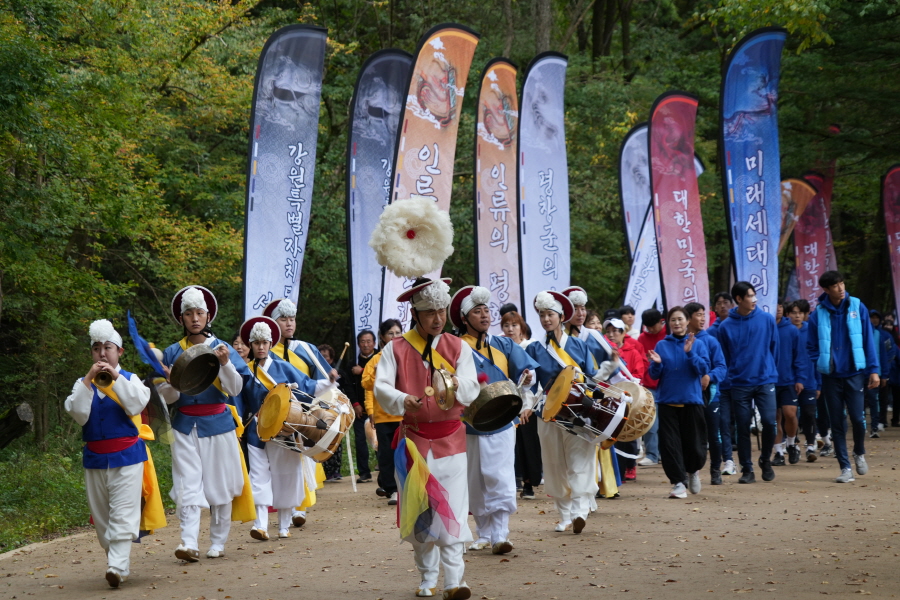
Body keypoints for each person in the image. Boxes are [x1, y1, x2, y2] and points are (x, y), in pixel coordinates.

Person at [373, 277, 480, 599]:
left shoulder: (458, 346)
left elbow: (473, 386)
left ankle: (454, 581)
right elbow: (381, 387)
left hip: (451, 440)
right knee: (420, 511)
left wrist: (457, 385)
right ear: (415, 314)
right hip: (414, 442)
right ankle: (427, 576)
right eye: (430, 312)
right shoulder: (396, 348)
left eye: (442, 310)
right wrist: (402, 399)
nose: (437, 318)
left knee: (455, 508)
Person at [64, 319, 165, 588]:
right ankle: (117, 564)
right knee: (102, 520)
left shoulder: (131, 380)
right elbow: (78, 413)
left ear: (119, 352)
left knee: (123, 513)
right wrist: (89, 379)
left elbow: (136, 404)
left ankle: (116, 566)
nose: (101, 353)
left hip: (127, 457)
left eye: (107, 347)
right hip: (95, 458)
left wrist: (115, 377)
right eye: (96, 348)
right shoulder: (82, 384)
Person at [157, 286, 253, 562]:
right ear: (182, 318)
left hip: (219, 424)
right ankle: (188, 542)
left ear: (208, 315)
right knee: (187, 484)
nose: (195, 318)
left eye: (199, 313)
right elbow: (170, 398)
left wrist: (225, 364)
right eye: (189, 314)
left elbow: (235, 389)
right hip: (184, 425)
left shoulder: (221, 348)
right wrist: (169, 380)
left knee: (218, 485)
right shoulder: (172, 352)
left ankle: (218, 541)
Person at [449, 285, 537, 556]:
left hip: (502, 420)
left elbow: (527, 373)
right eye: (477, 311)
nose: (485, 315)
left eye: (487, 310)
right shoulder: (454, 347)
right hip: (469, 423)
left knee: (500, 476)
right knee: (475, 480)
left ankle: (500, 534)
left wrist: (527, 381)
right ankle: (483, 533)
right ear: (465, 318)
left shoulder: (504, 344)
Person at [240, 317, 332, 540]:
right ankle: (260, 524)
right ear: (251, 345)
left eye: (264, 342)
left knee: (285, 474)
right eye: (256, 343)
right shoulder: (245, 371)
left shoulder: (283, 366)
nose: (261, 347)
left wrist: (328, 381)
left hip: (285, 429)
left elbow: (308, 386)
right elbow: (239, 401)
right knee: (258, 476)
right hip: (256, 430)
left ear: (270, 344)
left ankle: (283, 524)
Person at [526, 290, 607, 534]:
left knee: (579, 460)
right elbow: (529, 383)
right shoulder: (534, 348)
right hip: (548, 414)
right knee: (554, 463)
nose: (546, 319)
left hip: (577, 412)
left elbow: (592, 379)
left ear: (561, 316)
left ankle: (580, 510)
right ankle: (564, 514)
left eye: (550, 314)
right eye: (542, 315)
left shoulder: (579, 346)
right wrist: (527, 404)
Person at [262, 298, 334, 526]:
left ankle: (300, 507)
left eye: (292, 319)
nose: (289, 324)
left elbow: (323, 378)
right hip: (278, 414)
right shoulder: (265, 352)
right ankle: (287, 507)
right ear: (274, 323)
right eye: (283, 319)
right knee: (283, 462)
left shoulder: (306, 348)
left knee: (304, 460)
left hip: (306, 411)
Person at [807, 271, 880, 483]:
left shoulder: (857, 306)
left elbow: (867, 339)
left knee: (858, 418)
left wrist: (873, 369)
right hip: (831, 376)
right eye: (835, 286)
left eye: (842, 283)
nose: (840, 288)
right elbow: (811, 345)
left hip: (855, 373)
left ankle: (859, 452)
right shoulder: (818, 313)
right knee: (837, 422)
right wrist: (821, 361)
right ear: (826, 290)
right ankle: (845, 467)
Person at [715, 282, 779, 484]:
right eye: (750, 296)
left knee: (769, 422)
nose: (754, 299)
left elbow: (774, 348)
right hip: (739, 383)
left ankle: (765, 460)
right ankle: (747, 469)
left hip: (765, 379)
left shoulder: (767, 319)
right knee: (742, 426)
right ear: (739, 299)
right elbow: (724, 357)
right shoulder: (725, 326)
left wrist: (768, 368)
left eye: (755, 295)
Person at [561, 287, 622, 500]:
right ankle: (578, 491)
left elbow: (613, 365)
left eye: (583, 308)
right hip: (568, 397)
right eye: (575, 308)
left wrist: (625, 380)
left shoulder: (594, 335)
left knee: (599, 434)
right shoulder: (559, 338)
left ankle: (601, 487)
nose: (580, 313)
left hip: (595, 390)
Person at [648, 306, 710, 498]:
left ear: (687, 321)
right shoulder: (661, 346)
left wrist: (690, 352)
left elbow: (703, 368)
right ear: (668, 323)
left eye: (680, 319)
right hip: (667, 401)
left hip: (691, 401)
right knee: (669, 445)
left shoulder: (697, 344)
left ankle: (693, 471)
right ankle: (678, 483)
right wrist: (657, 364)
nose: (677, 323)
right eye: (673, 320)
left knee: (693, 444)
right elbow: (653, 375)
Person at [683, 302, 727, 485]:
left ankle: (715, 468)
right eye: (698, 315)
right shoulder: (680, 340)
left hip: (711, 396)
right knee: (690, 436)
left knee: (713, 435)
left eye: (704, 315)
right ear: (689, 318)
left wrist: (709, 376)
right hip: (687, 397)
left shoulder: (711, 341)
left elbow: (722, 367)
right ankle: (690, 471)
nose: (702, 318)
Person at [362, 319, 403, 506]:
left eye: (398, 332)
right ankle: (392, 489)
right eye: (391, 333)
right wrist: (370, 410)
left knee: (407, 452)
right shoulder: (375, 360)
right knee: (387, 454)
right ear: (383, 337)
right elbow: (367, 385)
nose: (395, 337)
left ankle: (408, 488)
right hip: (384, 415)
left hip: (405, 414)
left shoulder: (408, 356)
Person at [501, 310, 542, 499]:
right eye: (506, 325)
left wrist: (530, 405)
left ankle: (529, 483)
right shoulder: (499, 347)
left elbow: (537, 378)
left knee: (528, 443)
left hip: (528, 401)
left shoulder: (530, 347)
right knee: (509, 444)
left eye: (514, 325)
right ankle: (512, 480)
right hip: (506, 401)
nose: (510, 329)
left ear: (522, 327)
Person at [603, 317, 647, 481]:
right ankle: (617, 470)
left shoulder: (633, 352)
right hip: (611, 399)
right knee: (614, 433)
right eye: (608, 332)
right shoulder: (604, 353)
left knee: (629, 435)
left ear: (623, 333)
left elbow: (638, 376)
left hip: (629, 400)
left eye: (615, 331)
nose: (611, 334)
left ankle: (630, 465)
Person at [786, 300, 822, 461]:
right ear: (788, 314)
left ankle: (810, 445)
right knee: (790, 415)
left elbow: (818, 358)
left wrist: (819, 383)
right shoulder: (784, 331)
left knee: (809, 413)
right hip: (788, 381)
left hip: (810, 380)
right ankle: (791, 445)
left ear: (806, 314)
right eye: (794, 312)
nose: (797, 316)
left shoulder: (812, 332)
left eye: (800, 312)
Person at [707, 292, 737, 476]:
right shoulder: (711, 332)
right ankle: (729, 460)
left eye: (726, 302)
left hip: (742, 381)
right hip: (721, 385)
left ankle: (747, 462)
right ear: (715, 308)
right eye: (719, 303)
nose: (723, 306)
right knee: (723, 423)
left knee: (741, 422)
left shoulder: (738, 325)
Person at [772, 302, 803, 466]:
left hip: (789, 380)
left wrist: (800, 378)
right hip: (769, 380)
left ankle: (791, 443)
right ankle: (778, 451)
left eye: (780, 306)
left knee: (790, 414)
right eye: (774, 305)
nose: (777, 308)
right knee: (773, 418)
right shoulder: (765, 328)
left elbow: (799, 356)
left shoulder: (791, 330)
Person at [637, 308, 666, 466]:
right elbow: (641, 361)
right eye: (647, 327)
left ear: (661, 321)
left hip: (667, 384)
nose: (650, 330)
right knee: (651, 422)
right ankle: (652, 454)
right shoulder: (642, 338)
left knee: (667, 423)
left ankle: (664, 453)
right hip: (649, 385)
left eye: (652, 326)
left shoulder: (669, 334)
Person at [317, 343, 349, 482]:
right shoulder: (316, 371)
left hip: (336, 409)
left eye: (326, 356)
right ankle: (324, 471)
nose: (324, 359)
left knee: (337, 438)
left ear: (331, 358)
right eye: (321, 356)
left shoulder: (340, 372)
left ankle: (335, 470)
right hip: (321, 409)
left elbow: (346, 389)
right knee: (322, 437)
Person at [348, 331, 377, 483]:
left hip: (378, 408)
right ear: (358, 344)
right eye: (363, 342)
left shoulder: (381, 358)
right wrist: (356, 404)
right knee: (360, 440)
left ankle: (384, 470)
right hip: (360, 409)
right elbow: (348, 386)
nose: (366, 345)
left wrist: (363, 371)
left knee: (381, 441)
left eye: (369, 341)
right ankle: (364, 472)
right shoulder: (352, 362)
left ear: (374, 343)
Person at [866, 310, 895, 437]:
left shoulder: (880, 335)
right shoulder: (859, 334)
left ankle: (875, 426)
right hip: (859, 373)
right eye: (872, 317)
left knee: (874, 401)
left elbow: (884, 355)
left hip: (874, 373)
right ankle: (862, 426)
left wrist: (884, 375)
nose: (874, 320)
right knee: (860, 401)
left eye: (877, 317)